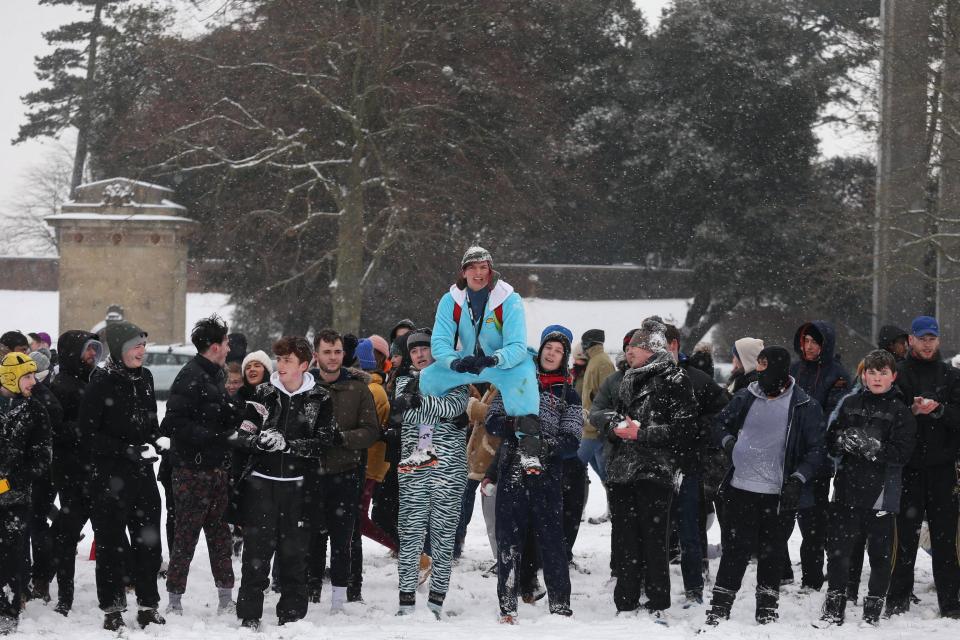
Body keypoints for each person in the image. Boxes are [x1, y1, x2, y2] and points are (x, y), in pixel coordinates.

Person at [705, 346, 825, 627]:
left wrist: (799, 478)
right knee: (735, 550)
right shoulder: (746, 396)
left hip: (778, 493)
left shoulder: (804, 405)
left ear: (781, 370)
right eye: (758, 367)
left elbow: (817, 450)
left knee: (772, 552)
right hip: (740, 489)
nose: (760, 374)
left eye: (765, 367)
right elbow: (719, 424)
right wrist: (729, 444)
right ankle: (720, 607)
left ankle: (767, 608)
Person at [590, 319, 698, 620]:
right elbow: (604, 413)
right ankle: (625, 600)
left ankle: (657, 600)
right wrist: (617, 427)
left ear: (651, 350)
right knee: (625, 536)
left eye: (635, 346)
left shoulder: (675, 379)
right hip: (623, 470)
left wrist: (643, 433)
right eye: (628, 347)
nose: (629, 351)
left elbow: (685, 431)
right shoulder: (627, 377)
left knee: (653, 538)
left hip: (656, 470)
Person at [233, 336, 336, 629]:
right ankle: (249, 615)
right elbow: (242, 435)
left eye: (288, 360)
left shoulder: (320, 397)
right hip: (261, 486)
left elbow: (325, 442)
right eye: (279, 360)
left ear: (304, 365)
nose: (281, 366)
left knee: (294, 556)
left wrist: (289, 445)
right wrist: (259, 441)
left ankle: (291, 617)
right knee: (256, 554)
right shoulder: (263, 392)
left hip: (299, 489)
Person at [486, 325, 581, 622]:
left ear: (564, 357)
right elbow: (492, 421)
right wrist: (516, 426)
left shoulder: (570, 394)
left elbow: (572, 442)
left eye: (558, 351)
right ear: (539, 351)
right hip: (512, 468)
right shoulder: (517, 381)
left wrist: (543, 443)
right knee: (508, 540)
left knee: (552, 540)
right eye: (548, 348)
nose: (552, 354)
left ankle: (560, 604)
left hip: (548, 475)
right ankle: (507, 604)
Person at [419, 247, 540, 473]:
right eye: (472, 268)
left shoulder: (509, 299)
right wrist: (453, 362)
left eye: (483, 267)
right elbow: (440, 342)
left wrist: (494, 359)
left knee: (525, 377)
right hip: (468, 361)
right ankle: (425, 444)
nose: (478, 273)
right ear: (463, 272)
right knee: (428, 377)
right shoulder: (450, 300)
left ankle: (529, 450)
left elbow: (517, 345)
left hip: (503, 362)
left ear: (491, 271)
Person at [78, 321, 166, 630]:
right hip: (108, 478)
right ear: (119, 349)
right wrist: (125, 450)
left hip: (142, 475)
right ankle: (112, 608)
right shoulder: (101, 382)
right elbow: (86, 435)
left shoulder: (146, 378)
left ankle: (147, 604)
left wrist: (158, 440)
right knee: (111, 544)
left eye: (143, 345)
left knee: (148, 543)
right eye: (134, 346)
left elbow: (151, 421)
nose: (141, 351)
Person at [817, 349, 915, 627]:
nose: (876, 377)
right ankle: (834, 607)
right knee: (838, 553)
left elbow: (903, 453)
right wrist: (841, 440)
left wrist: (874, 448)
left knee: (880, 556)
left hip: (882, 495)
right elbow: (830, 438)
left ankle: (872, 610)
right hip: (847, 489)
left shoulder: (900, 411)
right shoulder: (849, 403)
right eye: (871, 372)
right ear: (863, 374)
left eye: (882, 372)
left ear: (893, 376)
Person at [161, 315, 238, 616]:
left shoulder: (216, 374)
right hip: (190, 472)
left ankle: (225, 598)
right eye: (227, 343)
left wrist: (239, 415)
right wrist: (216, 436)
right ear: (215, 346)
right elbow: (173, 423)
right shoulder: (190, 375)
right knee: (186, 536)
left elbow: (217, 412)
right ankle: (174, 601)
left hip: (217, 469)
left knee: (221, 535)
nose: (230, 348)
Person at [886, 316, 960, 618]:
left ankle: (951, 602)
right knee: (904, 537)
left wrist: (940, 410)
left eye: (932, 338)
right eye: (921, 338)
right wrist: (913, 411)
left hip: (943, 469)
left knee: (945, 540)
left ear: (938, 340)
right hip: (908, 468)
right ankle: (897, 598)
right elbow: (888, 416)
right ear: (911, 341)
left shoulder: (952, 376)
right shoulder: (899, 374)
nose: (927, 343)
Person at [394, 329, 470, 619]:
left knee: (443, 537)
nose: (421, 354)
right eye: (415, 351)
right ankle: (406, 601)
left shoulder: (456, 378)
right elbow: (403, 414)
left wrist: (420, 402)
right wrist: (439, 410)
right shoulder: (404, 381)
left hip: (449, 472)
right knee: (410, 535)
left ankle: (436, 601)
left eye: (425, 349)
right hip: (413, 472)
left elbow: (456, 405)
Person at [305, 329, 379, 611]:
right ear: (316, 355)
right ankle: (311, 592)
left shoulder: (358, 388)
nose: (333, 357)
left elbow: (372, 430)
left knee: (344, 537)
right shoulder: (306, 386)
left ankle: (342, 595)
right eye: (327, 352)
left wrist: (344, 439)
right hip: (312, 473)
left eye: (337, 351)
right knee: (313, 536)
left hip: (346, 471)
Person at [664, 324, 728, 606]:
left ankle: (694, 588)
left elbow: (723, 414)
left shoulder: (698, 379)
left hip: (689, 464)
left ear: (675, 345)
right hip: (653, 465)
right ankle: (652, 587)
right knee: (654, 532)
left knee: (689, 530)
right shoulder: (642, 378)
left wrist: (696, 431)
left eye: (662, 346)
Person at [784, 320, 850, 592]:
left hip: (818, 460)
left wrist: (807, 427)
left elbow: (835, 415)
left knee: (813, 524)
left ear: (825, 344)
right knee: (781, 521)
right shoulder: (794, 370)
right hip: (787, 456)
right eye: (805, 342)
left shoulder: (837, 374)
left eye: (814, 342)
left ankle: (812, 579)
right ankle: (780, 573)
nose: (809, 347)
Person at [47, 330, 103, 615]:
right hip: (72, 472)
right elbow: (57, 430)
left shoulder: (94, 380)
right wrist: (85, 431)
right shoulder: (61, 385)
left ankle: (113, 591)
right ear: (72, 352)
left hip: (97, 469)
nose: (93, 354)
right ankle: (63, 595)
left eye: (95, 349)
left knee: (105, 534)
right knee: (67, 535)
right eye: (87, 349)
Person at [0, 352, 51, 635]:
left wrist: (9, 482)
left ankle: (7, 609)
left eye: (34, 375)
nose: (34, 382)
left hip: (15, 498)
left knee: (10, 554)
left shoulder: (35, 410)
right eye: (27, 377)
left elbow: (43, 459)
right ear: (10, 378)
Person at [348, 337, 398, 602]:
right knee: (357, 518)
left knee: (359, 519)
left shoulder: (373, 390)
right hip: (369, 463)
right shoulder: (373, 387)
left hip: (369, 464)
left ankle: (409, 552)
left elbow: (369, 432)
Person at [23, 351, 61, 604]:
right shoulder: (42, 394)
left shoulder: (41, 398)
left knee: (34, 525)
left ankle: (39, 578)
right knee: (33, 524)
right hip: (42, 471)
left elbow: (45, 438)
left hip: (41, 472)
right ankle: (37, 577)